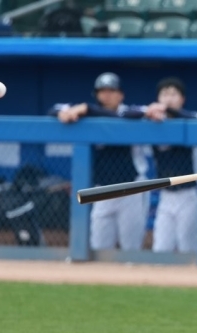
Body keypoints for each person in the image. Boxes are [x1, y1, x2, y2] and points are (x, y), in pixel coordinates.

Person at [49, 72, 148, 250]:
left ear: (121, 94)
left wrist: (86, 108)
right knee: (99, 246)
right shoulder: (90, 114)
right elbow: (55, 108)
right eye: (102, 91)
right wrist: (64, 112)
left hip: (132, 188)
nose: (107, 95)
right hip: (102, 189)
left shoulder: (127, 111)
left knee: (131, 247)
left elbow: (137, 113)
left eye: (112, 90)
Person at [144, 77, 197, 253]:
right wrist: (149, 112)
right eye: (164, 94)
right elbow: (131, 115)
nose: (169, 98)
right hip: (165, 195)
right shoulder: (152, 122)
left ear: (182, 99)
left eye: (173, 94)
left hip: (189, 194)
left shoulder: (194, 118)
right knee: (161, 248)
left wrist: (167, 110)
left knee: (188, 248)